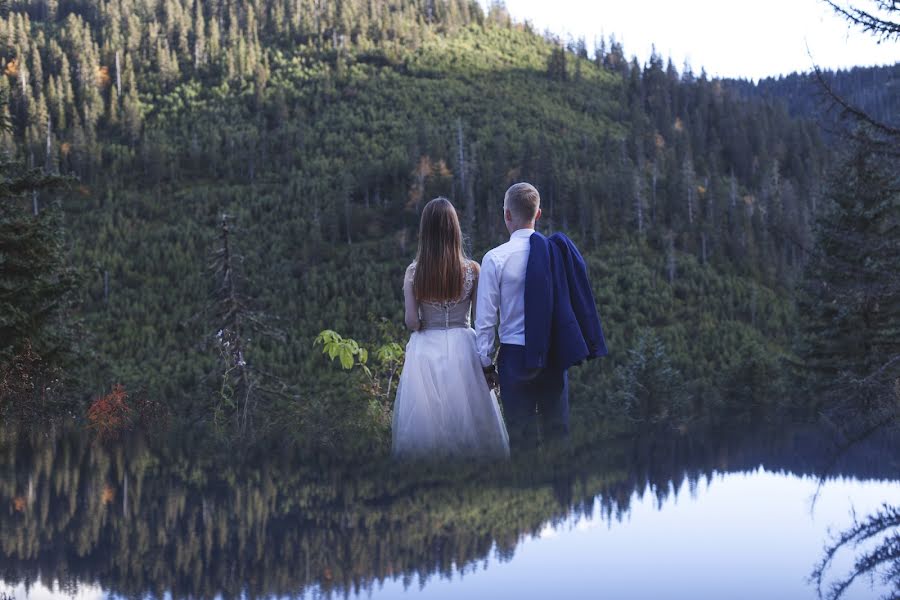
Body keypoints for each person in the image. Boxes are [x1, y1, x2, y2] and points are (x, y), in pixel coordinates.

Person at [475, 183, 607, 450]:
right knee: (558, 437)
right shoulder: (555, 252)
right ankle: (561, 489)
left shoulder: (495, 258)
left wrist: (486, 365)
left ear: (507, 215)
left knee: (521, 441)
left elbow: (486, 321)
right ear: (538, 214)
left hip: (513, 357)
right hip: (552, 355)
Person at [392, 197, 510, 459]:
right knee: (472, 424)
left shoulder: (414, 272)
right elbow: (482, 321)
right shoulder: (472, 270)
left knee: (427, 427)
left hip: (425, 351)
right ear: (454, 230)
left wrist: (426, 321)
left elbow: (412, 321)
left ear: (426, 232)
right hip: (464, 347)